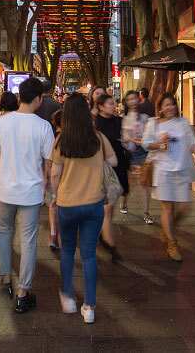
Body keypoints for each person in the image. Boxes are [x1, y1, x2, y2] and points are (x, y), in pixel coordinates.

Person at [0, 77, 55, 314]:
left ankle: (5, 278)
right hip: (31, 193)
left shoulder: (3, 122)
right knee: (28, 241)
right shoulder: (44, 126)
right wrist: (49, 186)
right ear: (38, 99)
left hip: (5, 190)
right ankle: (23, 293)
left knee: (4, 233)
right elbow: (49, 163)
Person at [50, 93, 116, 324]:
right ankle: (89, 307)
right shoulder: (97, 138)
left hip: (67, 204)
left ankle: (67, 296)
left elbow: (55, 173)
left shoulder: (61, 141)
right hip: (93, 204)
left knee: (67, 251)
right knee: (89, 255)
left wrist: (53, 195)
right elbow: (114, 162)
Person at [144, 93, 195, 262]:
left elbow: (192, 143)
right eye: (166, 105)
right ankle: (172, 243)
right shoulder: (154, 123)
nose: (169, 107)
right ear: (160, 108)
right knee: (167, 208)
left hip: (181, 169)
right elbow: (146, 143)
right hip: (163, 171)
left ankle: (168, 228)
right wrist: (159, 143)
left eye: (172, 104)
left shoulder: (183, 123)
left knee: (185, 207)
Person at [94, 93, 127, 262]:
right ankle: (110, 245)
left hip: (118, 164)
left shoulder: (118, 121)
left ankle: (102, 232)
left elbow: (124, 141)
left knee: (110, 207)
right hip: (103, 168)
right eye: (109, 103)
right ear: (100, 106)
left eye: (113, 103)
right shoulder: (95, 124)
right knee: (107, 208)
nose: (113, 106)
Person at [122, 90, 154, 224]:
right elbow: (123, 140)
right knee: (130, 183)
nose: (132, 102)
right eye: (129, 99)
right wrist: (128, 139)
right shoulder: (124, 119)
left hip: (144, 153)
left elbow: (149, 135)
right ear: (126, 102)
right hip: (130, 154)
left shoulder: (145, 117)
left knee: (145, 184)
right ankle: (124, 203)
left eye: (134, 98)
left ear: (138, 100)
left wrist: (140, 140)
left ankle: (147, 213)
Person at [48, 109, 63, 252]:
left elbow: (51, 164)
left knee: (53, 206)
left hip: (57, 179)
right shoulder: (63, 138)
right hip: (65, 180)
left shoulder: (56, 138)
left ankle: (54, 235)